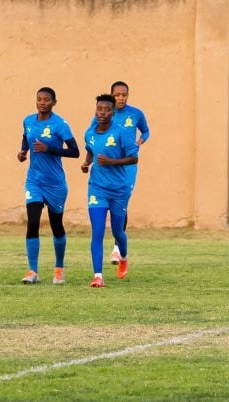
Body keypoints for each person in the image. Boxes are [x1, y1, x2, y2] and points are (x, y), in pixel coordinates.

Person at [17, 87, 79, 285]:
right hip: (34, 181)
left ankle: (59, 268)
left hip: (55, 185)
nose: (42, 102)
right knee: (32, 222)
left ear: (54, 102)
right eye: (39, 99)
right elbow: (25, 137)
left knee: (56, 226)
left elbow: (75, 152)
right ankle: (32, 271)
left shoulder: (60, 124)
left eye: (46, 99)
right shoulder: (28, 121)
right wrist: (23, 152)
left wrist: (49, 149)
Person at [81, 94, 139, 288]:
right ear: (95, 110)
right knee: (97, 231)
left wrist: (112, 162)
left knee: (117, 231)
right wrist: (87, 162)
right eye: (99, 109)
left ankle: (123, 257)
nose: (102, 113)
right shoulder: (89, 133)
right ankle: (98, 276)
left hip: (119, 190)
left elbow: (134, 158)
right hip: (97, 188)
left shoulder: (122, 133)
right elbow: (91, 149)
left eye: (107, 110)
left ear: (113, 112)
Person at [100, 81, 151, 265]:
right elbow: (93, 133)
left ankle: (116, 249)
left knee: (122, 202)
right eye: (117, 95)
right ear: (112, 95)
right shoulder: (105, 113)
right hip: (108, 166)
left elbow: (146, 131)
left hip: (128, 166)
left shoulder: (135, 114)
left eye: (124, 95)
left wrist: (138, 143)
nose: (120, 98)